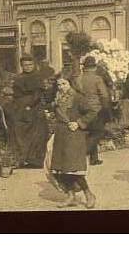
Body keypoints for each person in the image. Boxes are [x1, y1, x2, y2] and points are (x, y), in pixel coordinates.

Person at [49, 77, 99, 208]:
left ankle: (89, 194)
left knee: (73, 169)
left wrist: (79, 123)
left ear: (70, 84)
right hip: (60, 134)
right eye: (58, 84)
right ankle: (71, 196)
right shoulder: (58, 97)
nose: (61, 86)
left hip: (73, 135)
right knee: (61, 169)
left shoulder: (77, 98)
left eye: (64, 83)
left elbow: (93, 111)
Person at [8, 55, 50, 168]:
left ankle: (35, 161)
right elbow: (15, 93)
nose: (28, 67)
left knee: (37, 134)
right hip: (20, 108)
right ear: (22, 66)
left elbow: (37, 94)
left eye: (30, 64)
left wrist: (29, 105)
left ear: (34, 65)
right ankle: (22, 159)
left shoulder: (38, 77)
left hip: (34, 108)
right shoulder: (19, 77)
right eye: (25, 65)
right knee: (19, 132)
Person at [74, 55, 111, 165]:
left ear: (84, 67)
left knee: (91, 131)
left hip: (81, 109)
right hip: (95, 109)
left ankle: (94, 159)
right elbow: (104, 95)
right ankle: (81, 153)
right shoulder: (97, 79)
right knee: (98, 132)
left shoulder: (78, 79)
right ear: (94, 67)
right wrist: (106, 108)